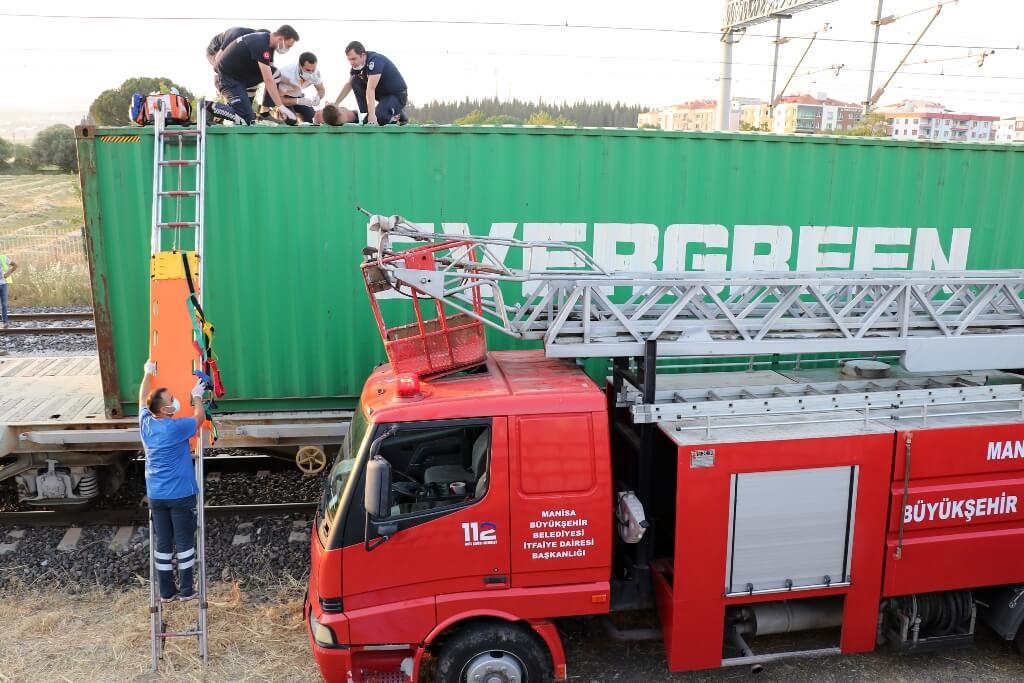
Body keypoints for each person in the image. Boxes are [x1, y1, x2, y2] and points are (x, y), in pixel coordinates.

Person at [138, 361, 206, 602]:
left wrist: (147, 373)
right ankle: (187, 590)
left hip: (156, 495)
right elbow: (200, 417)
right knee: (185, 542)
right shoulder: (175, 427)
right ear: (166, 410)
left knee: (163, 543)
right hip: (181, 494)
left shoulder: (146, 423)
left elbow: (142, 398)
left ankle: (166, 592)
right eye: (172, 399)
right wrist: (197, 396)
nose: (175, 400)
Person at [212, 25, 300, 126]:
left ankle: (262, 112)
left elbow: (271, 74)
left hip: (240, 78)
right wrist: (281, 106)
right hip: (226, 79)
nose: (287, 49)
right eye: (288, 46)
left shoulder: (268, 44)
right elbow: (268, 79)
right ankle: (210, 106)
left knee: (274, 73)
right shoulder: (261, 43)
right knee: (247, 119)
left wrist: (291, 83)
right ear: (280, 39)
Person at [333, 41, 408, 126]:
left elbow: (370, 89)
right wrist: (335, 104)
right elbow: (348, 85)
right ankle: (366, 114)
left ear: (363, 55)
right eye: (349, 59)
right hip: (382, 96)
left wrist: (373, 116)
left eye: (354, 59)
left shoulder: (375, 61)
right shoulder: (357, 66)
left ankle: (398, 114)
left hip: (397, 95)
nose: (351, 62)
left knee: (380, 118)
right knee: (355, 80)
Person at [262, 52, 326, 124]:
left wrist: (318, 96)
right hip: (280, 98)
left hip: (297, 94)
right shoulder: (286, 74)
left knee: (311, 116)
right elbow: (278, 100)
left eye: (313, 70)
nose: (311, 73)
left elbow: (321, 89)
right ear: (299, 66)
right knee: (291, 120)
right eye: (308, 70)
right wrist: (298, 101)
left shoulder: (316, 73)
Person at [0, 253, 16, 329]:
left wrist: (8, 273)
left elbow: (15, 265)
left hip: (4, 284)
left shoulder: (3, 258)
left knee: (4, 304)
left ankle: (5, 322)